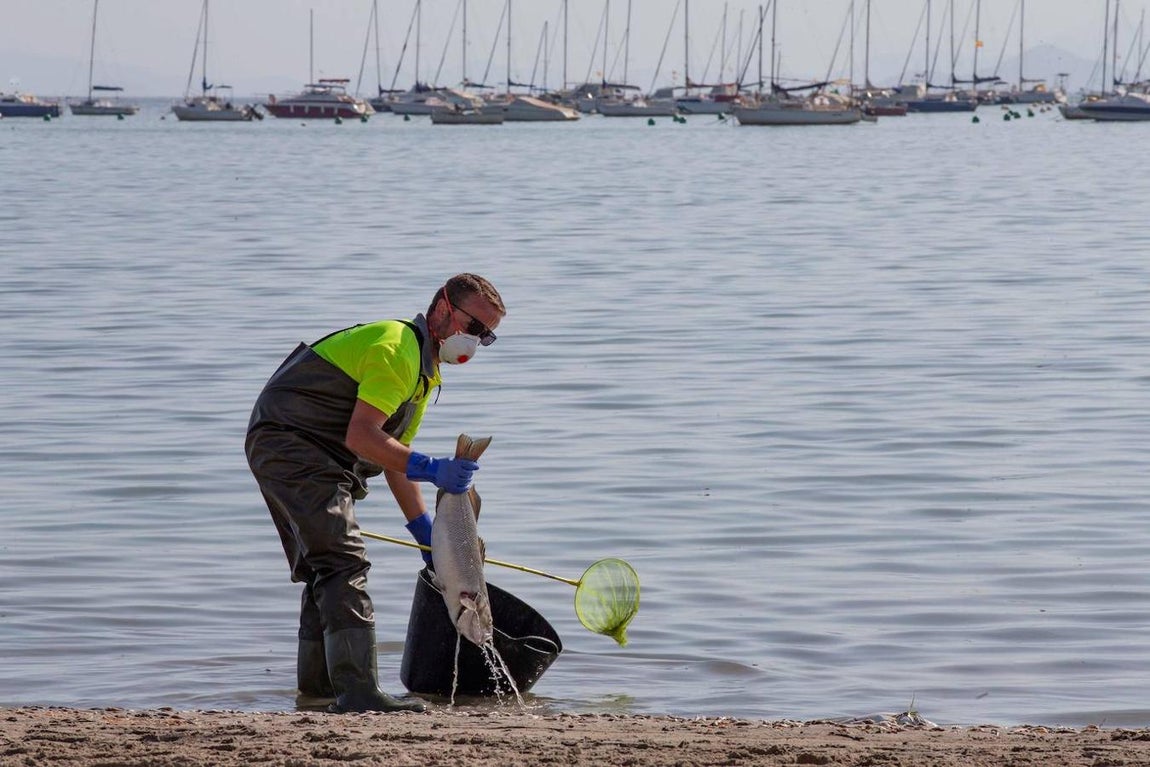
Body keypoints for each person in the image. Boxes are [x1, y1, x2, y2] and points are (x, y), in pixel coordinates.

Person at [245, 274, 505, 713]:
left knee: (321, 568)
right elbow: (363, 436)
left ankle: (319, 692)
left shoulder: (425, 373)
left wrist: (424, 531)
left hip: (306, 451)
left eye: (488, 335)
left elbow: (391, 456)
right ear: (443, 307)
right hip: (293, 445)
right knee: (344, 562)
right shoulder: (397, 350)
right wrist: (431, 467)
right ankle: (359, 693)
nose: (477, 340)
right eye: (474, 326)